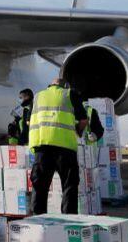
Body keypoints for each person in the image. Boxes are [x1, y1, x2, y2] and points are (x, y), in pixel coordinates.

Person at [28, 78, 89, 214]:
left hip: (42, 147)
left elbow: (28, 121)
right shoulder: (69, 94)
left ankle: (37, 218)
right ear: (65, 86)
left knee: (39, 186)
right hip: (64, 147)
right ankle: (69, 218)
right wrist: (78, 131)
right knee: (69, 185)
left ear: (50, 85)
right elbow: (84, 120)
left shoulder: (37, 96)